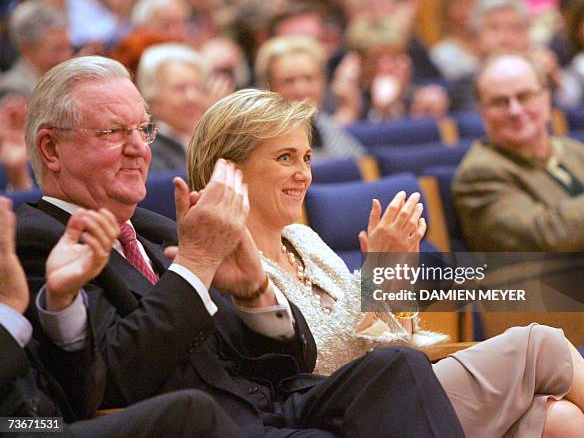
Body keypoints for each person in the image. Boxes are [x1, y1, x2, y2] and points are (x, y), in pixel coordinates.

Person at [16, 55, 465, 436]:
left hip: (271, 407)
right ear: (51, 149)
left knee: (397, 366)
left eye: (144, 130)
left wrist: (255, 296)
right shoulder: (38, 239)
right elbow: (110, 379)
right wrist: (194, 266)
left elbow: (292, 363)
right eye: (114, 133)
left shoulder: (157, 230)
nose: (139, 149)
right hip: (208, 424)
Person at [187, 87, 584, 438]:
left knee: (562, 422)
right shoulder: (229, 262)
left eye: (306, 158)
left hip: (396, 392)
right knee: (541, 342)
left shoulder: (303, 238)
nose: (303, 174)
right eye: (285, 158)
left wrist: (392, 279)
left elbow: (392, 347)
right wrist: (376, 276)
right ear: (231, 169)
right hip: (345, 415)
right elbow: (316, 366)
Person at [0, 196, 244, 437]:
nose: (138, 153)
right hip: (26, 427)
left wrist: (62, 304)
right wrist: (9, 313)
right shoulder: (34, 236)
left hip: (39, 425)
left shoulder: (150, 224)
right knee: (191, 413)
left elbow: (69, 400)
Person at [453, 53, 584, 252]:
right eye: (500, 102)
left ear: (546, 98)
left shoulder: (583, 153)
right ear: (482, 112)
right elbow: (544, 236)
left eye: (524, 96)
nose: (515, 111)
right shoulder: (478, 176)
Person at [255, 35, 365, 158]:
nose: (301, 90)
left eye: (309, 78)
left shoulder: (328, 126)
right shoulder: (259, 142)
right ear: (268, 88)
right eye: (288, 81)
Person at [137, 42, 229, 172]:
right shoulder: (148, 151)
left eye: (198, 88)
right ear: (152, 98)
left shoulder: (206, 143)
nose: (192, 97)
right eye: (180, 88)